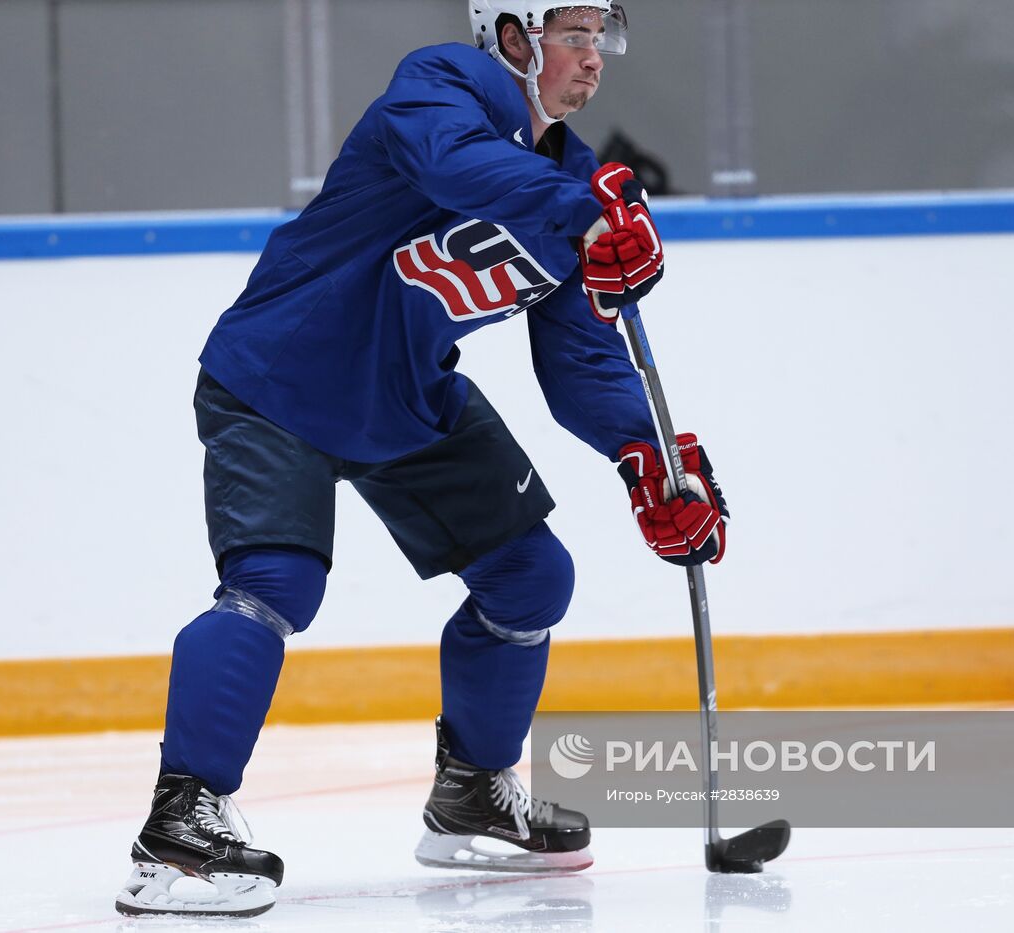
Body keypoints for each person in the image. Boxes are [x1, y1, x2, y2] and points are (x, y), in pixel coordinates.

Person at [114, 1, 729, 918]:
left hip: (404, 393)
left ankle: (472, 793)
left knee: (530, 577)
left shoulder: (581, 187)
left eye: (600, 39)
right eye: (572, 35)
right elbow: (454, 165)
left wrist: (648, 455)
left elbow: (583, 360)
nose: (593, 59)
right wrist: (586, 212)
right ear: (513, 37)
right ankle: (180, 829)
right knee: (273, 585)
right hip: (282, 371)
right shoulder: (440, 86)